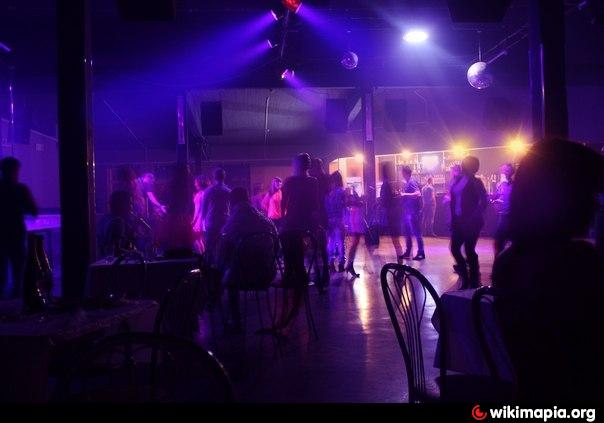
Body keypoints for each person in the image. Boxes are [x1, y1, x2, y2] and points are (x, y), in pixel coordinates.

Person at [492, 139, 604, 402]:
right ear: (564, 196)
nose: (596, 205)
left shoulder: (508, 260)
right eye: (588, 192)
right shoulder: (579, 264)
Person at [217, 187, 278, 331]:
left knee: (226, 276)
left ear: (232, 202)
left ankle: (234, 320)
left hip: (243, 275)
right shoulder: (265, 221)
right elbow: (277, 248)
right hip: (267, 273)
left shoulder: (233, 222)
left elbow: (222, 250)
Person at [0, 157, 38, 299]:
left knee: (1, 273)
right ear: (15, 171)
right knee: (18, 274)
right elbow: (33, 210)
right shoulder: (20, 189)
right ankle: (16, 302)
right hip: (16, 235)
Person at [449, 156, 488, 288]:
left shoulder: (476, 182)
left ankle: (473, 280)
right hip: (459, 221)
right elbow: (453, 200)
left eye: (465, 163)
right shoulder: (458, 179)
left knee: (469, 250)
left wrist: (473, 217)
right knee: (455, 248)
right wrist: (453, 218)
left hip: (472, 222)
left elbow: (484, 201)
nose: (462, 165)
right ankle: (466, 277)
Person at [159, 164, 194, 254]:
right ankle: (180, 250)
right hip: (179, 211)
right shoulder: (186, 183)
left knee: (175, 232)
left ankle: (173, 250)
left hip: (176, 211)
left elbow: (169, 196)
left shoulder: (175, 183)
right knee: (180, 232)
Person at [201, 167, 231, 262]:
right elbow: (231, 208)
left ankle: (209, 267)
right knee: (223, 247)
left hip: (211, 222)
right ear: (224, 177)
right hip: (224, 221)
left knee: (210, 247)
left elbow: (203, 209)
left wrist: (203, 222)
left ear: (214, 177)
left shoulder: (208, 191)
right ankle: (221, 266)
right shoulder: (228, 191)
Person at [97, 190, 137, 258]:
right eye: (129, 203)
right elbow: (116, 252)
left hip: (103, 261)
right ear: (121, 204)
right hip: (111, 262)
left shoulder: (106, 218)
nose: (131, 207)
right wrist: (136, 254)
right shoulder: (118, 221)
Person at [380, 163, 404, 262]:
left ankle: (400, 261)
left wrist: (380, 203)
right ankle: (400, 260)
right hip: (395, 215)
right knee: (395, 240)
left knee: (395, 240)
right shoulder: (390, 184)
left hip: (391, 216)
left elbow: (384, 200)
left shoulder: (386, 184)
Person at [400, 166, 425, 260]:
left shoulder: (411, 182)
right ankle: (408, 252)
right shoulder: (408, 182)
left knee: (417, 232)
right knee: (408, 232)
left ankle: (421, 253)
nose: (401, 174)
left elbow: (418, 193)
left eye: (402, 172)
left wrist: (404, 194)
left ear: (404, 173)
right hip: (409, 212)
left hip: (414, 212)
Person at [491, 163, 515, 257]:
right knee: (498, 241)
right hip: (503, 215)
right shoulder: (503, 184)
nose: (504, 172)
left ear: (512, 172)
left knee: (503, 241)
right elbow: (496, 196)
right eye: (503, 170)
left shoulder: (516, 184)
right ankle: (499, 260)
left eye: (507, 170)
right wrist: (493, 201)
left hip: (512, 216)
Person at [325, 171, 347, 272]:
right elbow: (344, 206)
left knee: (331, 242)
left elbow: (326, 207)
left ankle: (331, 262)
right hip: (339, 219)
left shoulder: (329, 193)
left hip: (330, 219)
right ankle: (341, 263)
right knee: (341, 242)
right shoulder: (342, 192)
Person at [345, 185, 369, 277]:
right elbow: (352, 204)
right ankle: (349, 265)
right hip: (355, 218)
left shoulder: (352, 195)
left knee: (355, 243)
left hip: (355, 217)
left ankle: (349, 265)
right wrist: (361, 201)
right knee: (355, 243)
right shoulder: (351, 195)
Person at [191, 175, 210, 254]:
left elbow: (198, 210)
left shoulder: (200, 194)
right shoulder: (205, 193)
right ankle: (203, 256)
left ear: (200, 183)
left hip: (199, 220)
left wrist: (193, 221)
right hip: (203, 219)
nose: (195, 184)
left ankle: (201, 255)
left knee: (195, 239)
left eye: (196, 182)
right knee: (200, 240)